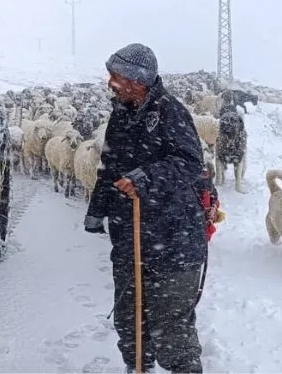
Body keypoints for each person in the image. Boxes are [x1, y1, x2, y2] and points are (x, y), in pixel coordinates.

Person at [84, 43, 207, 373]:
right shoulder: (121, 113)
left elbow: (190, 162)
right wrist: (98, 207)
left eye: (115, 76)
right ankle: (138, 366)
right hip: (130, 238)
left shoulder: (170, 112)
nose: (109, 82)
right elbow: (110, 164)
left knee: (171, 328)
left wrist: (147, 177)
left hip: (172, 238)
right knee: (129, 318)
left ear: (136, 80)